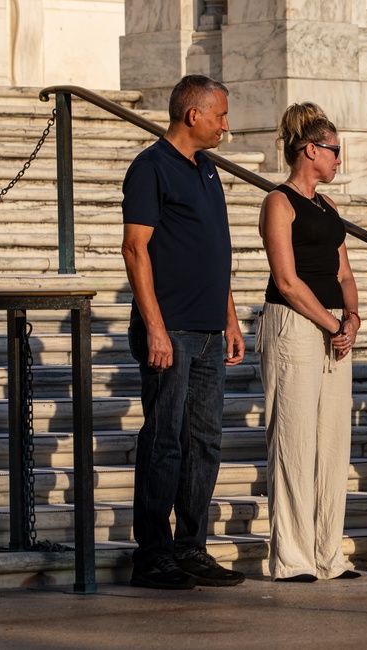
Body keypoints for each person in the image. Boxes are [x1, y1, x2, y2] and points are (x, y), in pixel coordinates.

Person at [122, 74, 246, 589]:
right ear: (192, 115)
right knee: (164, 441)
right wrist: (154, 327)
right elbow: (135, 249)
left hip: (208, 329)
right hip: (170, 328)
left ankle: (190, 547)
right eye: (220, 114)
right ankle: (152, 554)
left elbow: (216, 249)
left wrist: (230, 317)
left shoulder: (208, 170)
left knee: (205, 442)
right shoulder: (150, 168)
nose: (225, 124)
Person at [257, 102, 362, 582]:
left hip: (333, 327)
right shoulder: (278, 201)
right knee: (294, 442)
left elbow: (343, 271)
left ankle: (327, 555)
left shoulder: (329, 206)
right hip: (294, 325)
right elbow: (286, 279)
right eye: (335, 150)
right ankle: (292, 558)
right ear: (310, 149)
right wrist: (332, 324)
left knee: (333, 443)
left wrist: (353, 318)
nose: (340, 159)